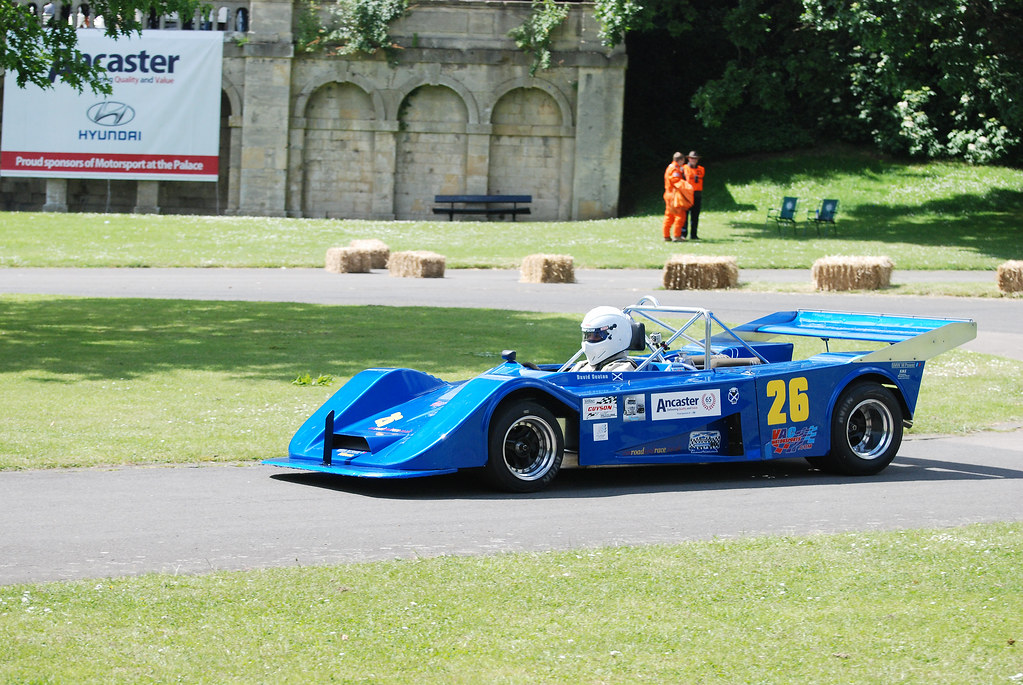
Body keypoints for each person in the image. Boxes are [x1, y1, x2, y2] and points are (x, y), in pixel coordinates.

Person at [571, 306, 638, 372]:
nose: (590, 340)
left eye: (596, 335)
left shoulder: (623, 370)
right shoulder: (581, 367)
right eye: (588, 335)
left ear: (616, 336)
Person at [662, 152, 693, 242]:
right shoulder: (675, 169)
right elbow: (676, 181)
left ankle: (666, 236)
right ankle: (677, 236)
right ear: (681, 160)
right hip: (674, 196)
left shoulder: (670, 167)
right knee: (680, 216)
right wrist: (688, 186)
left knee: (669, 216)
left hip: (668, 194)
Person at [682, 151, 704, 240]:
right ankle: (683, 234)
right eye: (692, 158)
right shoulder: (684, 168)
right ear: (688, 159)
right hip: (687, 195)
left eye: (695, 158)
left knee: (695, 216)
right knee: (685, 215)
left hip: (697, 195)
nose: (693, 160)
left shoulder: (701, 169)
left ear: (698, 159)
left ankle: (694, 235)